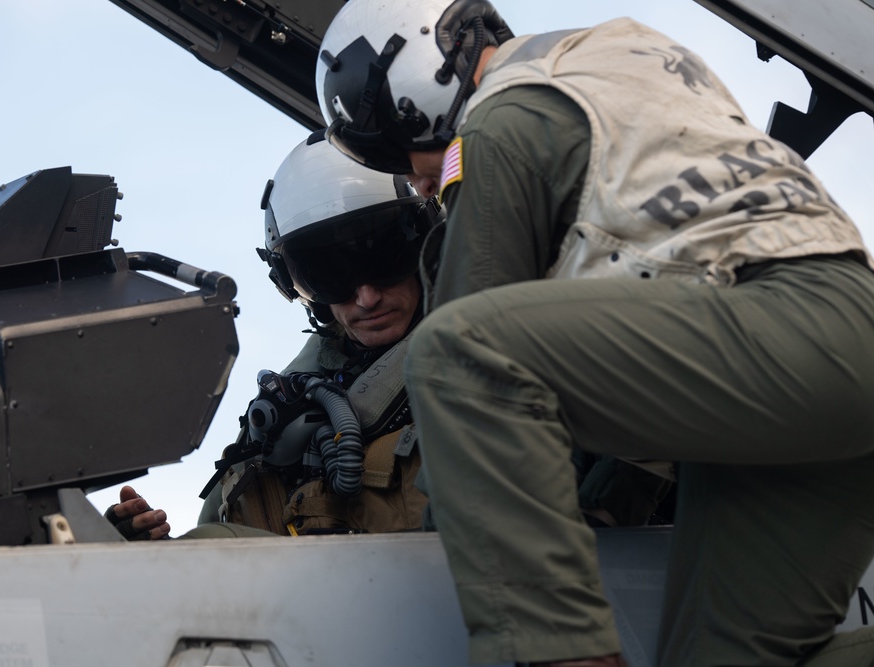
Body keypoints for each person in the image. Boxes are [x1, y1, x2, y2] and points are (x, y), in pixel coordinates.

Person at [316, 2, 874, 667]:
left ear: (413, 88)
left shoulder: (495, 125)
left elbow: (468, 358)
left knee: (456, 352)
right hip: (813, 364)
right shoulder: (622, 56)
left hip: (785, 334)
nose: (412, 176)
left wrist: (443, 544)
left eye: (392, 146)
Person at [107, 134, 672, 541]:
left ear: (433, 243)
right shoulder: (284, 411)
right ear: (295, 285)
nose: (367, 296)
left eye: (386, 257)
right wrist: (153, 556)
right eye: (330, 276)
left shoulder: (523, 356)